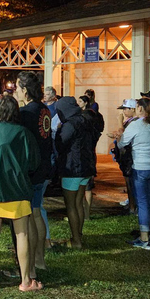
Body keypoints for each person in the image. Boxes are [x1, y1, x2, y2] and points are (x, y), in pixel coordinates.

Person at [0, 96, 41, 292]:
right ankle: (26, 281)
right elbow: (33, 162)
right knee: (22, 234)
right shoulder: (23, 133)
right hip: (18, 189)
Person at [14, 71, 53, 275]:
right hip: (44, 167)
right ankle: (39, 259)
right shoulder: (44, 109)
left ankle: (30, 266)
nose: (16, 92)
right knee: (37, 212)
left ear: (24, 90)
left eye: (17, 88)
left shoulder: (27, 113)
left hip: (32, 169)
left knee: (28, 216)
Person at [120, 98, 150, 250]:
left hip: (140, 167)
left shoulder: (136, 125)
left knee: (143, 202)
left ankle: (144, 237)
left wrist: (119, 136)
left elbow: (122, 143)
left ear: (140, 108)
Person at [55, 96, 98, 249]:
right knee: (79, 203)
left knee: (71, 205)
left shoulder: (70, 124)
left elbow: (60, 144)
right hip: (86, 167)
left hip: (72, 168)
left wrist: (59, 131)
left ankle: (76, 241)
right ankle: (78, 235)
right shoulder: (85, 120)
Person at [77, 95, 103, 220]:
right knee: (87, 186)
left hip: (86, 158)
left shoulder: (86, 131)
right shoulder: (94, 131)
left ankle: (84, 214)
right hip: (91, 157)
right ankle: (85, 214)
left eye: (80, 101)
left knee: (84, 187)